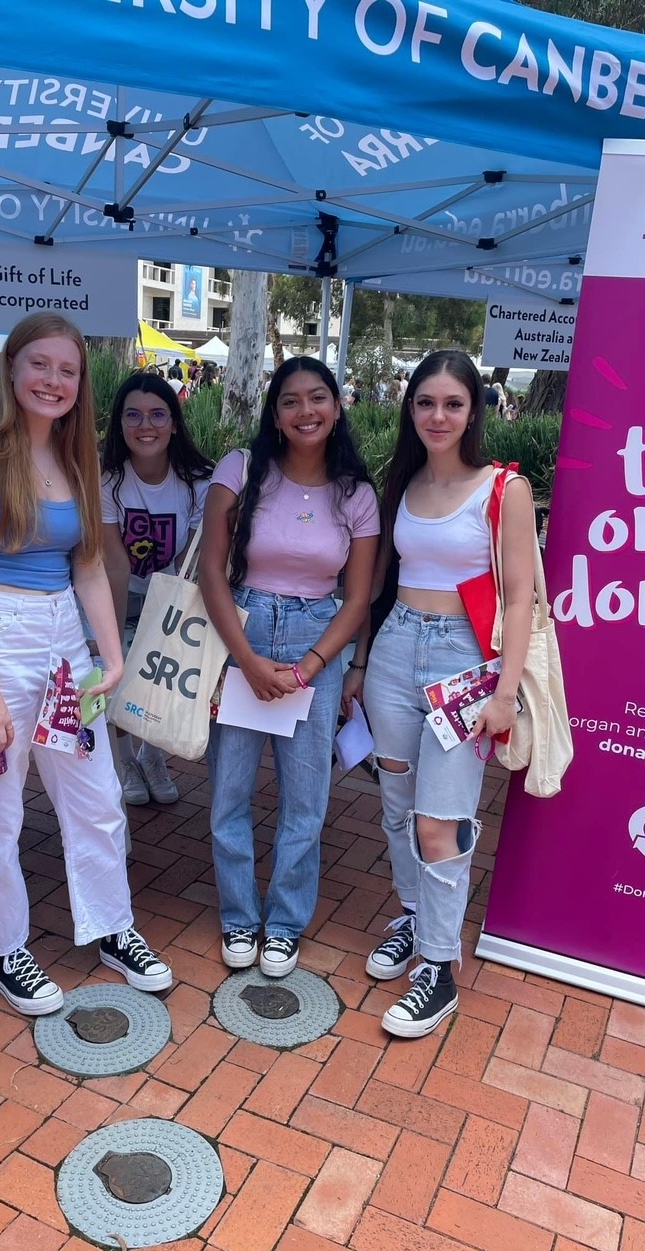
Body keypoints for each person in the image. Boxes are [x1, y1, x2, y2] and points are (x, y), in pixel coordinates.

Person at [0, 312, 172, 1016]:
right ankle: (2, 945)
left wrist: (112, 654)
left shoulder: (75, 458)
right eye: (39, 365)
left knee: (97, 799)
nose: (53, 380)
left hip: (64, 648)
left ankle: (112, 927)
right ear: (11, 368)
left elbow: (91, 568)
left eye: (66, 370)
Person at [343, 350, 534, 1038]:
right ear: (410, 408)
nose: (438, 416)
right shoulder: (404, 480)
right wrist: (362, 662)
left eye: (453, 404)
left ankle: (438, 967)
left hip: (465, 663)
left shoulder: (503, 490)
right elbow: (379, 584)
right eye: (426, 403)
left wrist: (506, 693)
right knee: (395, 798)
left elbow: (520, 601)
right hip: (395, 649)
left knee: (440, 819)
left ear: (474, 410)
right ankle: (415, 913)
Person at [199, 356, 380, 978]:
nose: (306, 412)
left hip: (317, 641)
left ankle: (283, 925)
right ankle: (239, 918)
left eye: (318, 398)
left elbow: (358, 598)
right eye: (291, 401)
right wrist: (247, 661)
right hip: (241, 632)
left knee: (307, 799)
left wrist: (308, 668)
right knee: (229, 790)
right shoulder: (241, 471)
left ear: (336, 406)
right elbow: (211, 575)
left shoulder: (356, 494)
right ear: (274, 414)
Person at [100, 371, 213, 805]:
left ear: (174, 422)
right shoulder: (108, 478)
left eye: (157, 415)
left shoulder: (198, 480)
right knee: (121, 671)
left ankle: (153, 754)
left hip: (172, 590)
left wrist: (168, 618)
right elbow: (112, 558)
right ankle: (125, 756)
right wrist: (110, 636)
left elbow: (194, 557)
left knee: (167, 677)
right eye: (133, 415)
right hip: (121, 588)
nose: (145, 426)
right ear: (120, 423)